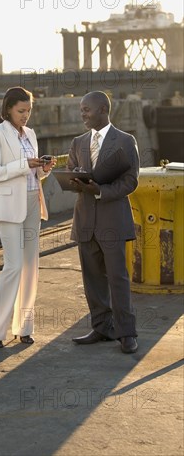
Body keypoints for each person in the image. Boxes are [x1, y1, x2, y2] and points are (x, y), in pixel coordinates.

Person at [0, 86, 56, 348]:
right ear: (8, 109)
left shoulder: (31, 135)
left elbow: (31, 174)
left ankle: (24, 327)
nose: (26, 116)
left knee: (30, 267)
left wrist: (43, 169)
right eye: (21, 111)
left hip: (32, 202)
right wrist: (25, 165)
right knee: (13, 266)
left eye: (29, 111)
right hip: (8, 207)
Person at [67, 90, 139, 354]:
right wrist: (75, 180)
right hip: (85, 220)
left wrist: (100, 190)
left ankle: (127, 333)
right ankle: (101, 328)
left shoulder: (125, 141)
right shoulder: (77, 142)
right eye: (81, 109)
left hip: (113, 221)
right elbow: (73, 170)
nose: (82, 114)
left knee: (118, 279)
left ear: (102, 110)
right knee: (92, 279)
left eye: (87, 109)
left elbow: (130, 181)